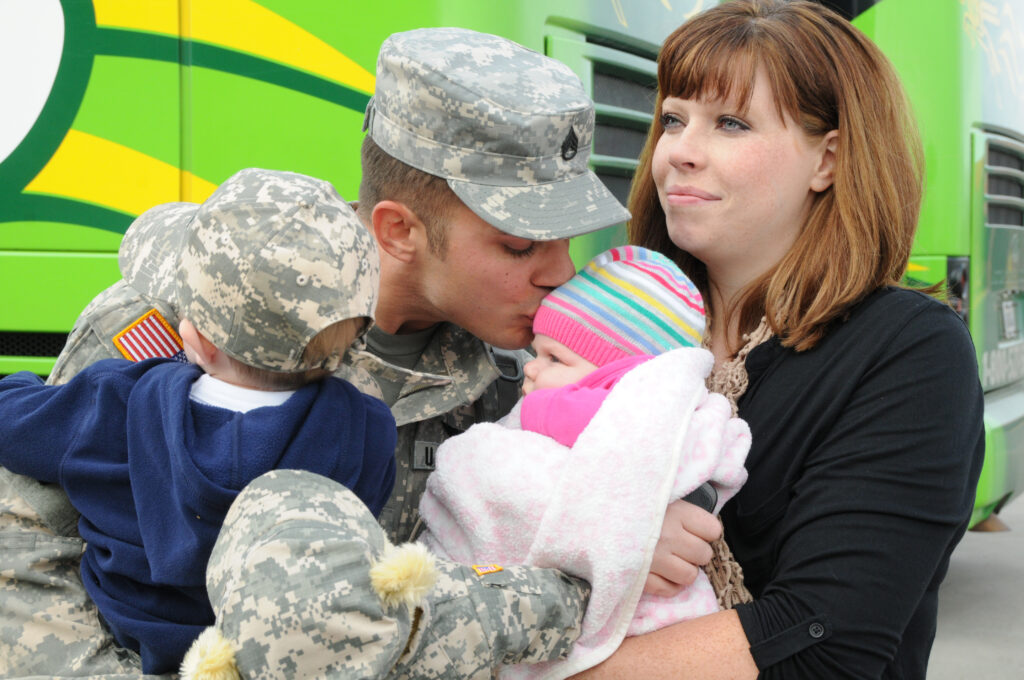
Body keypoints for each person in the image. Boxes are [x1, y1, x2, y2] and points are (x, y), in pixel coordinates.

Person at [3, 26, 723, 680]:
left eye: (568, 238)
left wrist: (619, 522)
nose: (561, 272)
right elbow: (23, 556)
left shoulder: (521, 373)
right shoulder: (193, 316)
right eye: (518, 243)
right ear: (399, 229)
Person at [567, 1, 985, 678]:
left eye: (730, 123)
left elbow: (824, 641)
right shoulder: (610, 320)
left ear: (828, 159)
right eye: (673, 119)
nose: (680, 152)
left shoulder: (907, 350)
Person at [0, 167, 398, 674]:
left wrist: (22, 387)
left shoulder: (114, 404)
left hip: (130, 643)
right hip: (266, 655)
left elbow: (13, 425)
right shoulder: (366, 432)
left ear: (199, 339)